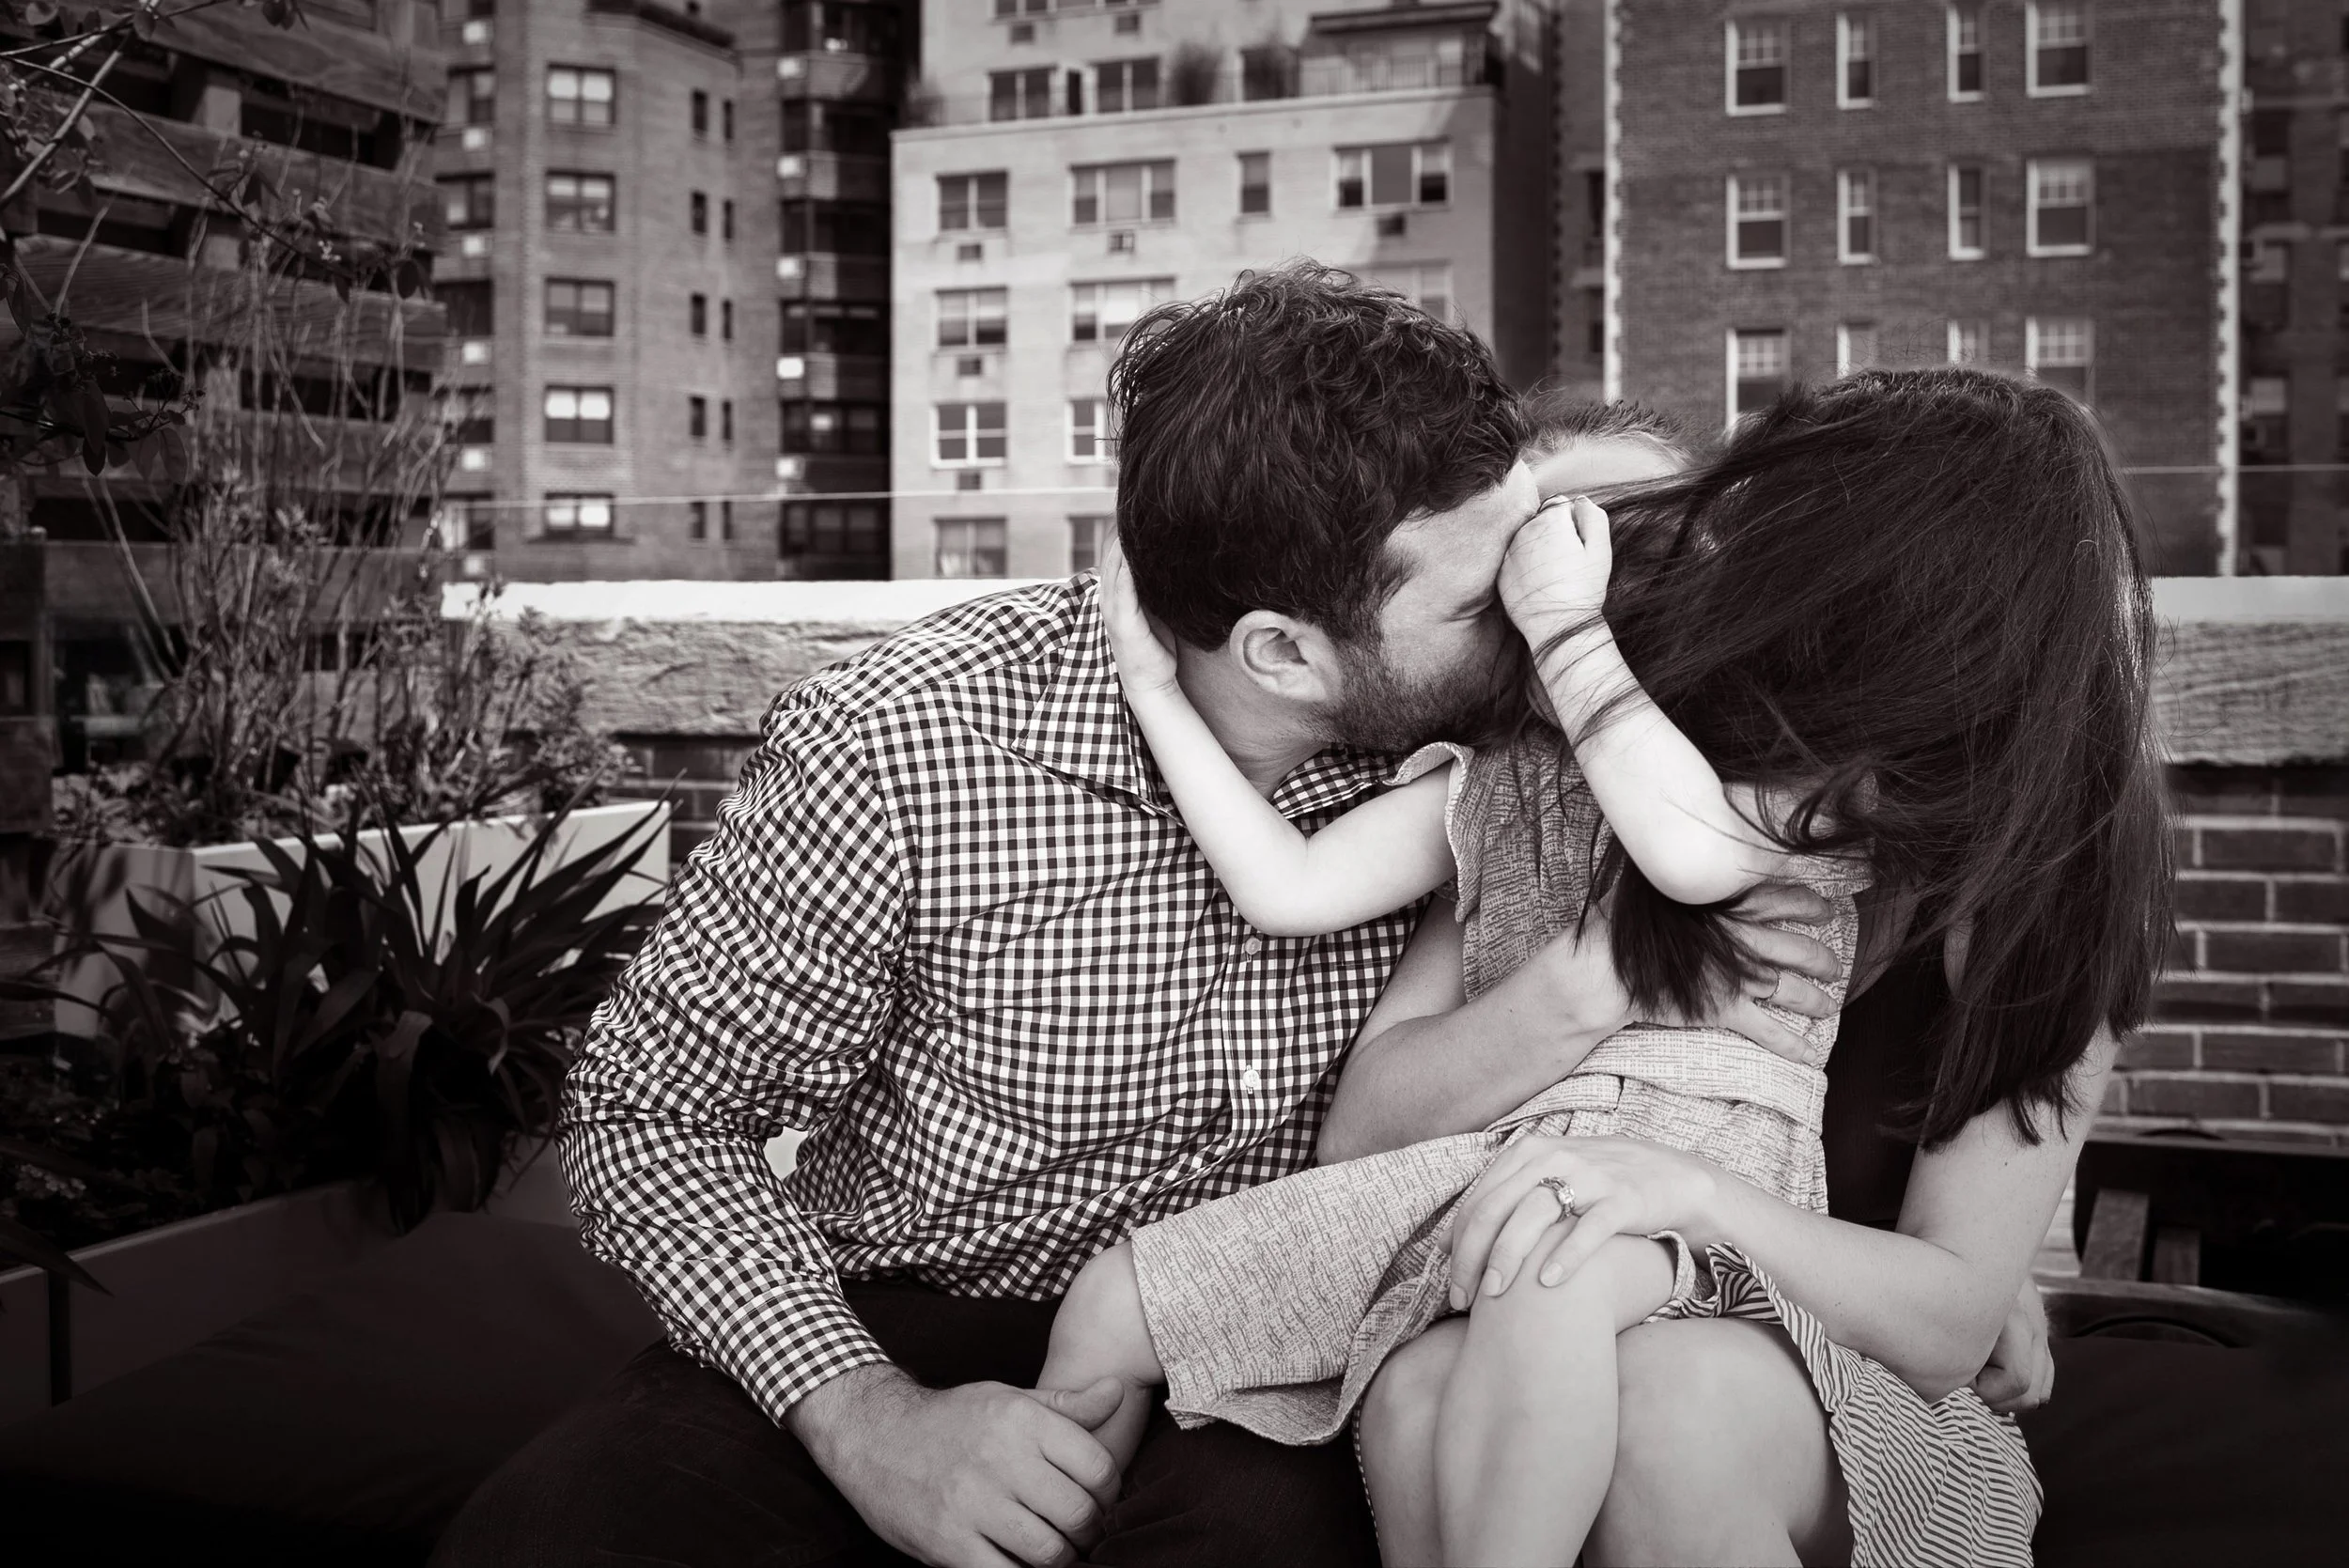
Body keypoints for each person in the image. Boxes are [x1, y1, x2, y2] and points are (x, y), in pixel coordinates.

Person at [428, 264, 1844, 1568]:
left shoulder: (1519, 759)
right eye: (1494, 596)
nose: (1549, 610)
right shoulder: (905, 741)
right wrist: (861, 1411)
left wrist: (1933, 1270)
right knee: (544, 1537)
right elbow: (652, 1117)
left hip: (1288, 1349)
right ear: (1286, 652)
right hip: (906, 1309)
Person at [1036, 368, 2171, 1567]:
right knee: (1429, 1383)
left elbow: (1947, 1316)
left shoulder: (2024, 884)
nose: (1572, 578)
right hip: (1542, 1272)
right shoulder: (1566, 788)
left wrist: (1686, 1195)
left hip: (1809, 1369)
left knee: (1664, 1412)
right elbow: (1363, 1128)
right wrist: (1595, 979)